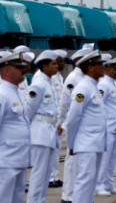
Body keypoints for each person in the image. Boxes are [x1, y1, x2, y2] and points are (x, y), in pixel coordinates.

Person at [65, 50, 107, 203]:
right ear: (90, 67)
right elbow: (72, 119)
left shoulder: (93, 87)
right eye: (99, 65)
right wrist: (71, 144)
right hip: (86, 143)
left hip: (95, 142)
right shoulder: (83, 88)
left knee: (90, 182)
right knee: (84, 181)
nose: (103, 67)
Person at [59, 45, 95, 203]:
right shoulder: (74, 78)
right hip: (76, 126)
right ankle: (68, 196)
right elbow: (65, 103)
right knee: (73, 164)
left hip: (85, 127)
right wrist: (61, 122)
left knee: (83, 166)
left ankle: (80, 196)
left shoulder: (87, 78)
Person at [27, 50, 62, 203]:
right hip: (40, 132)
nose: (57, 66)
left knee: (46, 173)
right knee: (39, 173)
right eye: (53, 64)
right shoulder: (39, 84)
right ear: (44, 66)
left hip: (49, 131)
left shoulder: (48, 81)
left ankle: (40, 200)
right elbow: (28, 110)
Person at [0, 52, 31, 203]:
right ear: (6, 71)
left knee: (17, 199)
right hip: (5, 161)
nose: (23, 70)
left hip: (19, 158)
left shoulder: (15, 93)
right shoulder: (2, 94)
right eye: (19, 67)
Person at [95, 56, 116, 196]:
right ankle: (99, 184)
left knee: (112, 158)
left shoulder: (114, 84)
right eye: (115, 69)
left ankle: (108, 183)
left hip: (115, 127)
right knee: (104, 158)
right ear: (108, 69)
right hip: (107, 127)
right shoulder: (104, 84)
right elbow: (100, 106)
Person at [48, 49, 67, 188]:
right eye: (59, 61)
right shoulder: (51, 77)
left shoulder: (59, 77)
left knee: (56, 149)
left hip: (57, 118)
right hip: (51, 119)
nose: (62, 64)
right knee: (51, 150)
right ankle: (50, 177)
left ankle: (53, 176)